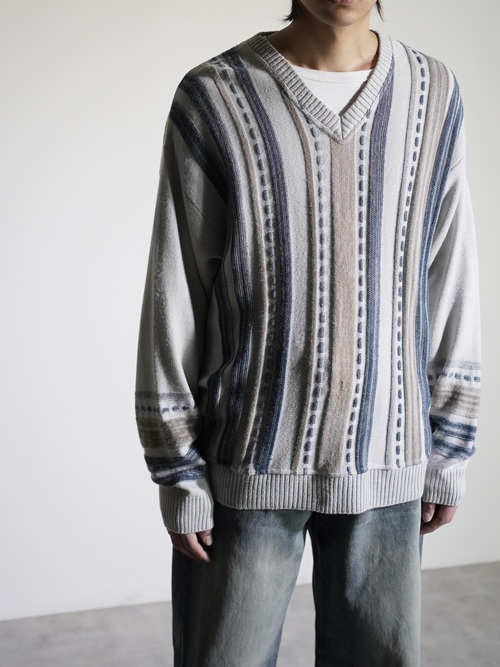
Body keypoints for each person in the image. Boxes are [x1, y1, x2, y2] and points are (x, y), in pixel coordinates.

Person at [135, 0, 481, 664]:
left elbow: (451, 274)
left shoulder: (433, 93)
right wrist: (176, 468)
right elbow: (175, 287)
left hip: (389, 455)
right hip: (244, 461)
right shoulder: (214, 95)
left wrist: (452, 445)